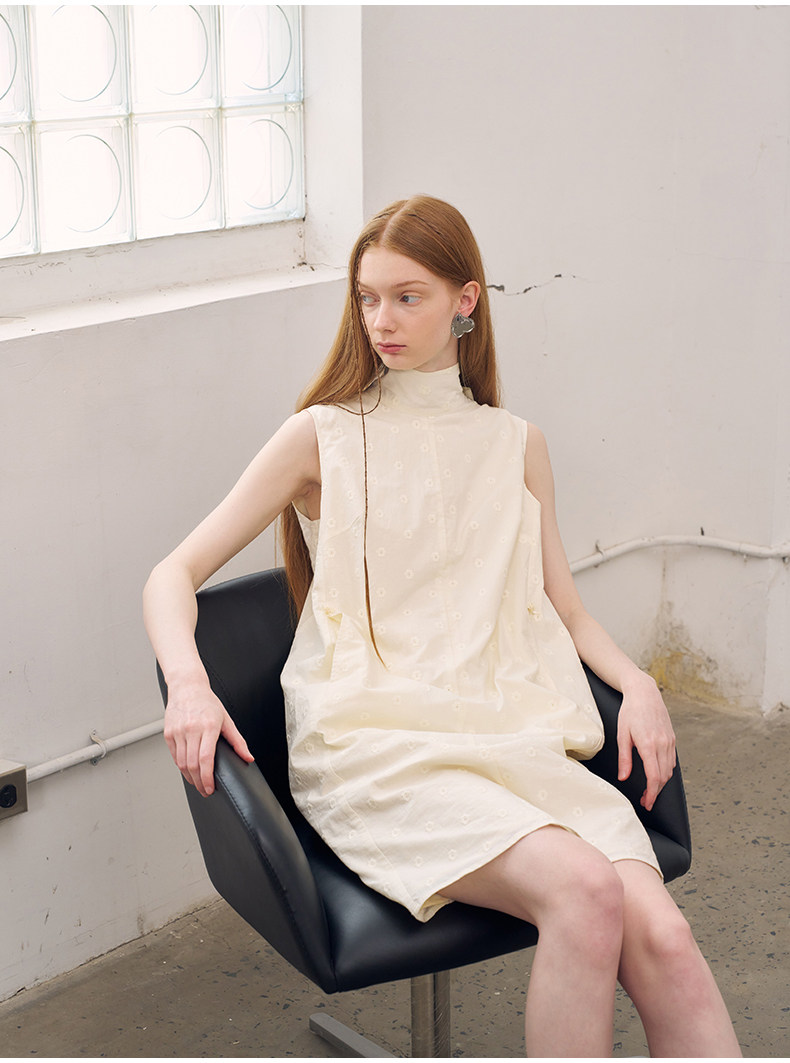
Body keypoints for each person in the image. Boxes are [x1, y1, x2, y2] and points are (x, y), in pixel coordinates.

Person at [143, 195, 740, 1057]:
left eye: (406, 297)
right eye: (367, 297)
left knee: (670, 940)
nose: (380, 320)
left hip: (511, 737)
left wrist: (639, 683)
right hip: (378, 748)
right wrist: (188, 685)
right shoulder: (323, 437)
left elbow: (566, 609)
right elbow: (172, 574)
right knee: (585, 889)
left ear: (465, 301)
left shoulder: (516, 444)